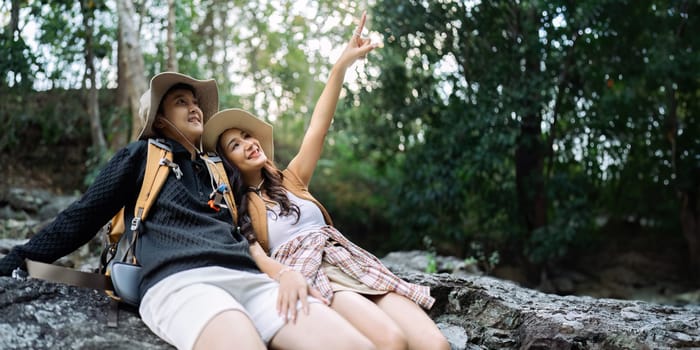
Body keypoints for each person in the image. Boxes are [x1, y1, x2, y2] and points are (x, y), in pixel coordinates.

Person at [0, 71, 376, 350]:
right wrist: (15, 260)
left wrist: (286, 273)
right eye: (181, 101)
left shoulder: (220, 169)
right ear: (161, 120)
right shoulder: (141, 156)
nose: (194, 107)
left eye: (195, 102)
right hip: (180, 282)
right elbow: (83, 215)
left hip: (251, 280)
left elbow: (250, 228)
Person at [202, 12, 450, 350]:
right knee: (392, 342)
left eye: (248, 135)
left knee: (436, 345)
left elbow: (319, 124)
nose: (249, 143)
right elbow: (252, 255)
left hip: (352, 261)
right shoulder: (237, 207)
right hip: (315, 273)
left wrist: (341, 65)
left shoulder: (291, 179)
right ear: (227, 162)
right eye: (236, 144)